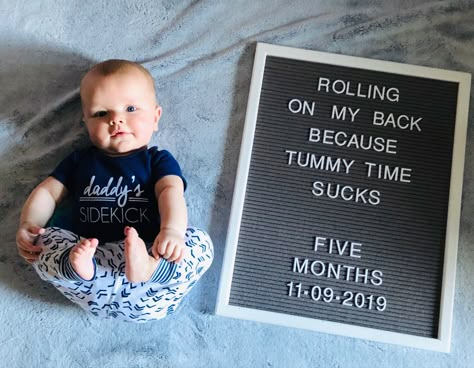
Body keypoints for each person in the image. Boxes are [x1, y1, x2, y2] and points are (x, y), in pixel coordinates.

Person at [15, 59, 213, 322]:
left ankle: (152, 269)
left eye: (131, 108)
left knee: (199, 245)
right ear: (86, 122)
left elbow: (170, 192)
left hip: (150, 273)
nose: (116, 119)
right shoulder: (79, 161)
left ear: (155, 118)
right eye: (100, 114)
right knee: (42, 241)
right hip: (91, 269)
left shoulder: (157, 160)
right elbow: (48, 192)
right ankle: (77, 269)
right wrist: (29, 224)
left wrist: (172, 232)